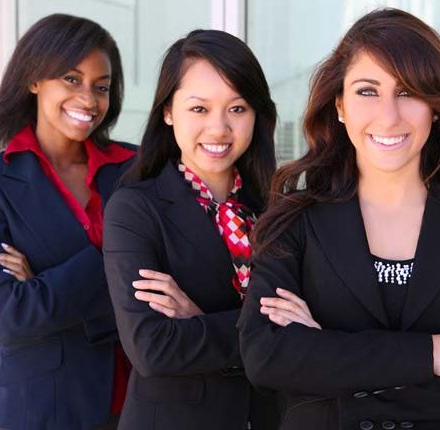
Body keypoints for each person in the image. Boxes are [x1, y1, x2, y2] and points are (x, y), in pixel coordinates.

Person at [238, 8, 440, 430]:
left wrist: (326, 355)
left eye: (408, 92)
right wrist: (434, 354)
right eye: (367, 91)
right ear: (340, 105)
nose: (389, 115)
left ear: (436, 107)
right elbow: (267, 358)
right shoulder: (295, 219)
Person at [0, 14, 136, 430]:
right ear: (34, 79)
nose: (89, 99)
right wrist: (114, 256)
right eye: (71, 79)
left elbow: (165, 274)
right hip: (39, 407)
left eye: (101, 86)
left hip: (134, 401)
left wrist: (41, 285)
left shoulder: (135, 168)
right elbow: (9, 317)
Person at [103, 29, 281, 430]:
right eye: (199, 109)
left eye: (237, 108)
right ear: (168, 111)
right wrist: (266, 327)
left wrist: (199, 323)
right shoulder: (135, 209)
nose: (219, 128)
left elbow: (314, 327)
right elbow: (152, 348)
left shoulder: (276, 208)